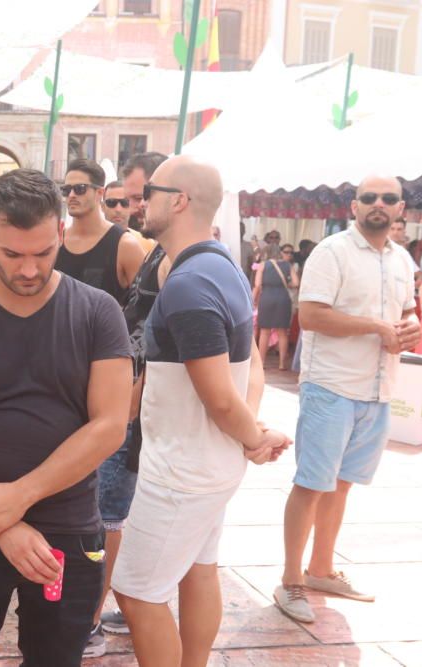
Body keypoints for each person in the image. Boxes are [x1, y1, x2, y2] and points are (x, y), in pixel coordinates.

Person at [0, 168, 133, 666]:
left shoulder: (98, 312)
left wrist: (20, 496)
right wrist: (4, 524)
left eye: (43, 253)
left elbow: (108, 425)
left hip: (68, 530)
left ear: (60, 232)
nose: (30, 270)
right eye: (13, 255)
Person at [112, 156, 290, 667]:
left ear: (179, 200)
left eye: (149, 192)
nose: (141, 202)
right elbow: (251, 367)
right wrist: (248, 433)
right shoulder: (222, 266)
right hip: (206, 465)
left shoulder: (190, 282)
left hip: (181, 471)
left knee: (138, 593)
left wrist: (251, 436)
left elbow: (217, 396)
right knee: (199, 569)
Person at [275, 175, 420, 625]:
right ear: (354, 206)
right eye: (370, 197)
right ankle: (291, 580)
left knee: (342, 484)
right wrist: (376, 327)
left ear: (401, 209)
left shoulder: (400, 259)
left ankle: (320, 570)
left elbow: (406, 311)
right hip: (332, 386)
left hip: (376, 390)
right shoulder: (331, 251)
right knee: (312, 483)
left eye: (389, 198)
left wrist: (409, 326)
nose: (379, 204)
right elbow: (313, 315)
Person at [84, 151, 169, 652]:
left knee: (110, 516)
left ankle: (89, 621)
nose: (130, 207)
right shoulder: (157, 251)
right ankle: (110, 607)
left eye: (139, 197)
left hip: (136, 406)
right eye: (123, 198)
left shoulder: (169, 257)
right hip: (128, 400)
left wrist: (127, 407)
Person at [57, 159, 145, 306]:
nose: (71, 195)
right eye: (66, 190)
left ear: (99, 193)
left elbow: (144, 308)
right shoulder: (56, 240)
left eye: (80, 188)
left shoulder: (125, 245)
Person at [254, 243, 299, 370]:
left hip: (266, 298)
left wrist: (253, 300)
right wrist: (287, 284)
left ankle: (261, 362)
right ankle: (282, 364)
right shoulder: (287, 265)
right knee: (282, 332)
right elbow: (296, 283)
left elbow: (257, 285)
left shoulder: (263, 265)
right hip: (283, 299)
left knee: (264, 332)